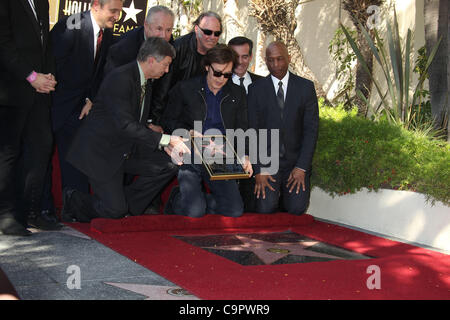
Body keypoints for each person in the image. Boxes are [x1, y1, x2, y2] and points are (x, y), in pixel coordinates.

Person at [61, 37, 190, 222]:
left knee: (169, 163)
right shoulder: (121, 78)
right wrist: (165, 140)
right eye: (166, 64)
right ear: (152, 60)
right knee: (113, 211)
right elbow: (124, 125)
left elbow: (134, 122)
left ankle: (128, 207)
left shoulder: (145, 80)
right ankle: (73, 200)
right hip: (102, 153)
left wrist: (163, 146)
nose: (167, 70)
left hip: (126, 148)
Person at [162, 44, 252, 218]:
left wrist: (244, 154)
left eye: (227, 75)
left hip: (220, 153)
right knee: (195, 212)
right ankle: (178, 199)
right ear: (206, 67)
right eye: (217, 73)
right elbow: (168, 120)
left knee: (234, 211)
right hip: (191, 150)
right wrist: (188, 133)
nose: (221, 79)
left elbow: (242, 128)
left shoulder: (237, 93)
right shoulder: (186, 88)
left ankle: (198, 202)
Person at [50, 0, 123, 198]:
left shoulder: (107, 33)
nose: (117, 17)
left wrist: (91, 98)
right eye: (113, 11)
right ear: (96, 5)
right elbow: (53, 66)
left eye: (119, 12)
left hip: (81, 108)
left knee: (77, 159)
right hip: (56, 105)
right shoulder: (71, 24)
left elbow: (99, 72)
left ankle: (75, 206)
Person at [0, 0, 59, 236]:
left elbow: (44, 43)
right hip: (10, 91)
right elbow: (3, 43)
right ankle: (5, 215)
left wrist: (48, 75)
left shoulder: (42, 2)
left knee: (41, 148)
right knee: (8, 153)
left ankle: (29, 212)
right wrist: (31, 76)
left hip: (38, 91)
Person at [247, 41, 319, 215]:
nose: (276, 65)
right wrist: (258, 170)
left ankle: (285, 198)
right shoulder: (255, 89)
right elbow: (252, 131)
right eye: (271, 60)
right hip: (267, 163)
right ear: (266, 61)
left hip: (295, 163)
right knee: (265, 208)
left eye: (280, 59)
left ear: (289, 58)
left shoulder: (305, 88)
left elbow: (311, 131)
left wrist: (302, 167)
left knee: (296, 208)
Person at [155, 11, 223, 131]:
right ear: (196, 29)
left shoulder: (219, 54)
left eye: (217, 34)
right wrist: (156, 121)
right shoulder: (178, 49)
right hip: (174, 115)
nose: (212, 37)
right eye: (207, 32)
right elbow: (162, 89)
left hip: (200, 119)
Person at [228, 36, 264, 212]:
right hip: (227, 153)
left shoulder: (264, 84)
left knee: (258, 209)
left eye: (244, 56)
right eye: (235, 56)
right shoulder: (220, 83)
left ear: (250, 57)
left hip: (258, 155)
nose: (240, 62)